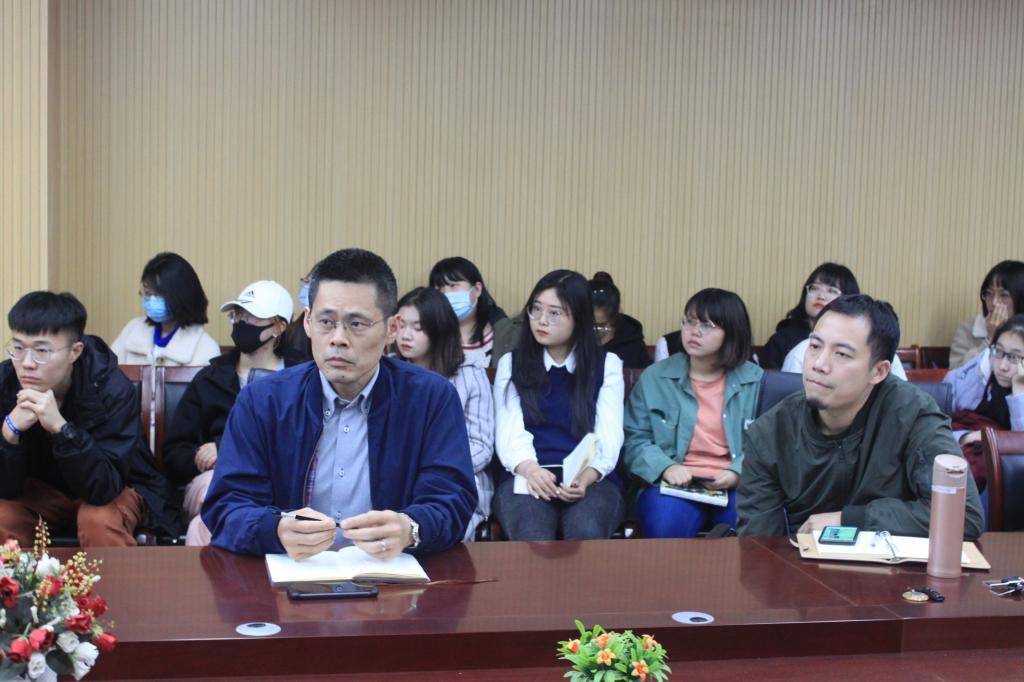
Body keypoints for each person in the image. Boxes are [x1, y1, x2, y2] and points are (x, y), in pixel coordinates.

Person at [202, 248, 477, 559]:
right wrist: (274, 530)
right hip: (291, 570)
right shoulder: (262, 401)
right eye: (326, 321)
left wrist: (412, 527)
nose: (338, 338)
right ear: (308, 322)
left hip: (390, 572)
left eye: (356, 324)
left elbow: (452, 501)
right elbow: (226, 505)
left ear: (392, 328)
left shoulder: (431, 399)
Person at [737, 294, 984, 539]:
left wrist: (850, 520)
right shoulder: (770, 432)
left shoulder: (912, 414)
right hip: (802, 560)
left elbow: (963, 514)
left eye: (842, 354)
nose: (818, 364)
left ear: (879, 371)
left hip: (893, 562)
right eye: (815, 346)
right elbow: (758, 546)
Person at [0, 292, 179, 546]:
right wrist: (9, 433)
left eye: (41, 351)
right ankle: (20, 575)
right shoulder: (4, 383)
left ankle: (114, 576)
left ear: (75, 351)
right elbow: (6, 490)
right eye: (18, 348)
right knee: (3, 516)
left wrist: (61, 429)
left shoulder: (112, 388)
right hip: (41, 493)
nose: (27, 363)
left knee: (97, 519)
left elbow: (103, 488)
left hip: (115, 488)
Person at [162, 281, 309, 546]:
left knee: (206, 525)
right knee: (213, 503)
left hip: (286, 481)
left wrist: (226, 447)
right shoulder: (209, 379)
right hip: (217, 479)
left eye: (252, 317)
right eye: (238, 314)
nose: (241, 322)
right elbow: (174, 453)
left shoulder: (303, 378)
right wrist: (202, 457)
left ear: (278, 327)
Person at [492, 270, 625, 540]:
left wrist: (586, 477)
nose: (542, 320)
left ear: (580, 317)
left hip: (591, 478)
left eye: (555, 313)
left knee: (585, 531)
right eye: (536, 309)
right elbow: (509, 431)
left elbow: (609, 435)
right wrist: (530, 469)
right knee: (533, 535)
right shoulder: (512, 363)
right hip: (527, 474)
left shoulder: (606, 365)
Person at [624, 289, 762, 537]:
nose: (694, 331)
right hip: (671, 483)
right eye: (689, 321)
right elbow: (634, 439)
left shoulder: (756, 381)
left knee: (750, 529)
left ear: (732, 331)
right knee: (666, 526)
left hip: (735, 484)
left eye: (707, 325)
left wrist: (736, 472)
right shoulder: (655, 377)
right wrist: (666, 467)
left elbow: (769, 445)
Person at [394, 287, 495, 541]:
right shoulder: (388, 371)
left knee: (441, 527)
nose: (405, 335)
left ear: (439, 328)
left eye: (417, 328)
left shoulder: (470, 373)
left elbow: (481, 445)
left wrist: (433, 468)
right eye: (401, 325)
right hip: (399, 477)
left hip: (456, 477)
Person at [944, 315, 1024, 487]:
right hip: (961, 453)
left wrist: (1019, 391)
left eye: (1014, 357)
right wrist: (966, 436)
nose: (1002, 366)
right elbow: (942, 421)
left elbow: (1020, 451)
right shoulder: (981, 375)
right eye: (999, 352)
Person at [111, 252, 220, 366]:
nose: (152, 301)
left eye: (159, 294)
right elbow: (109, 373)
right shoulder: (132, 329)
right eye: (147, 293)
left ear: (183, 296)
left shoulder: (206, 349)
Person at [757, 263, 860, 370]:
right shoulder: (782, 339)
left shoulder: (854, 342)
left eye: (832, 291)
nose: (821, 296)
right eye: (814, 288)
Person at [429, 257, 519, 368]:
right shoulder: (427, 337)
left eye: (453, 285)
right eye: (438, 289)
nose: (446, 295)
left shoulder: (508, 336)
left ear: (477, 289)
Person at [949, 261, 1024, 370]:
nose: (994, 302)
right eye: (989, 293)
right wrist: (991, 339)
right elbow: (956, 375)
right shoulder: (967, 330)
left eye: (1003, 295)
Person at [589, 272, 652, 369]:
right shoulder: (572, 339)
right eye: (588, 323)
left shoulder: (632, 342)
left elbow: (646, 374)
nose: (594, 330)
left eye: (601, 325)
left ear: (614, 319)